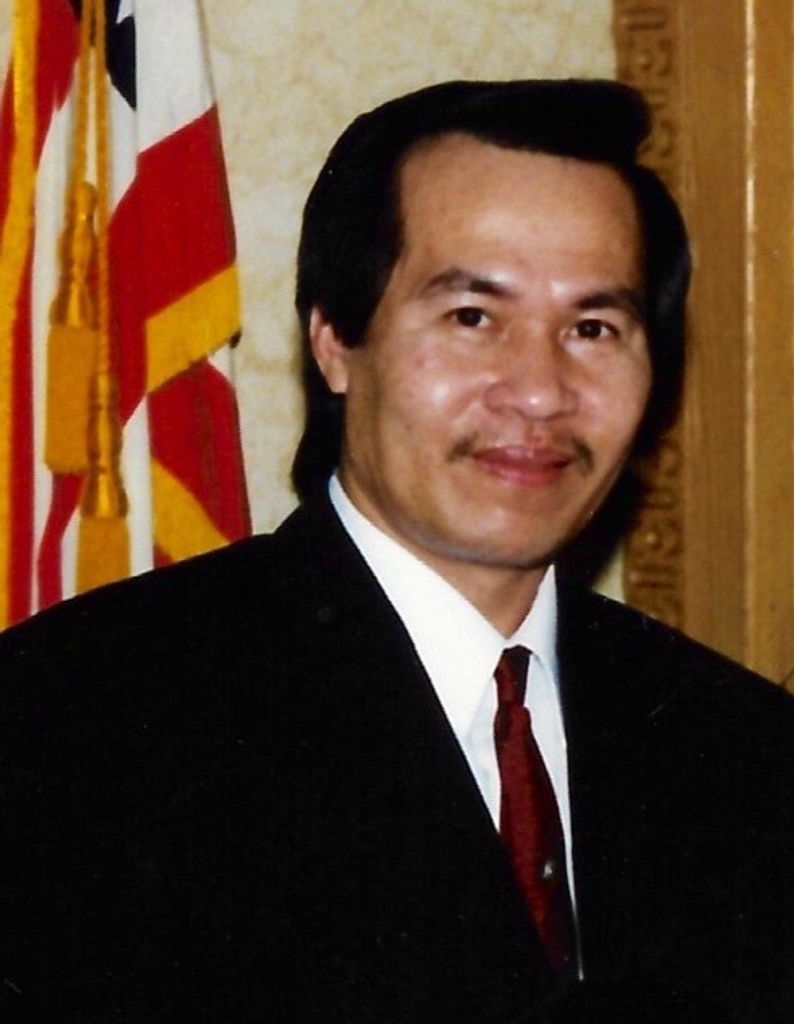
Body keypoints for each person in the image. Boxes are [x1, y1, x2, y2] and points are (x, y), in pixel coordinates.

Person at [0, 80, 791, 1024]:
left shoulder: (745, 750)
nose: (539, 392)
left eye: (593, 329)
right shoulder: (81, 724)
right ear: (335, 340)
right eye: (472, 318)